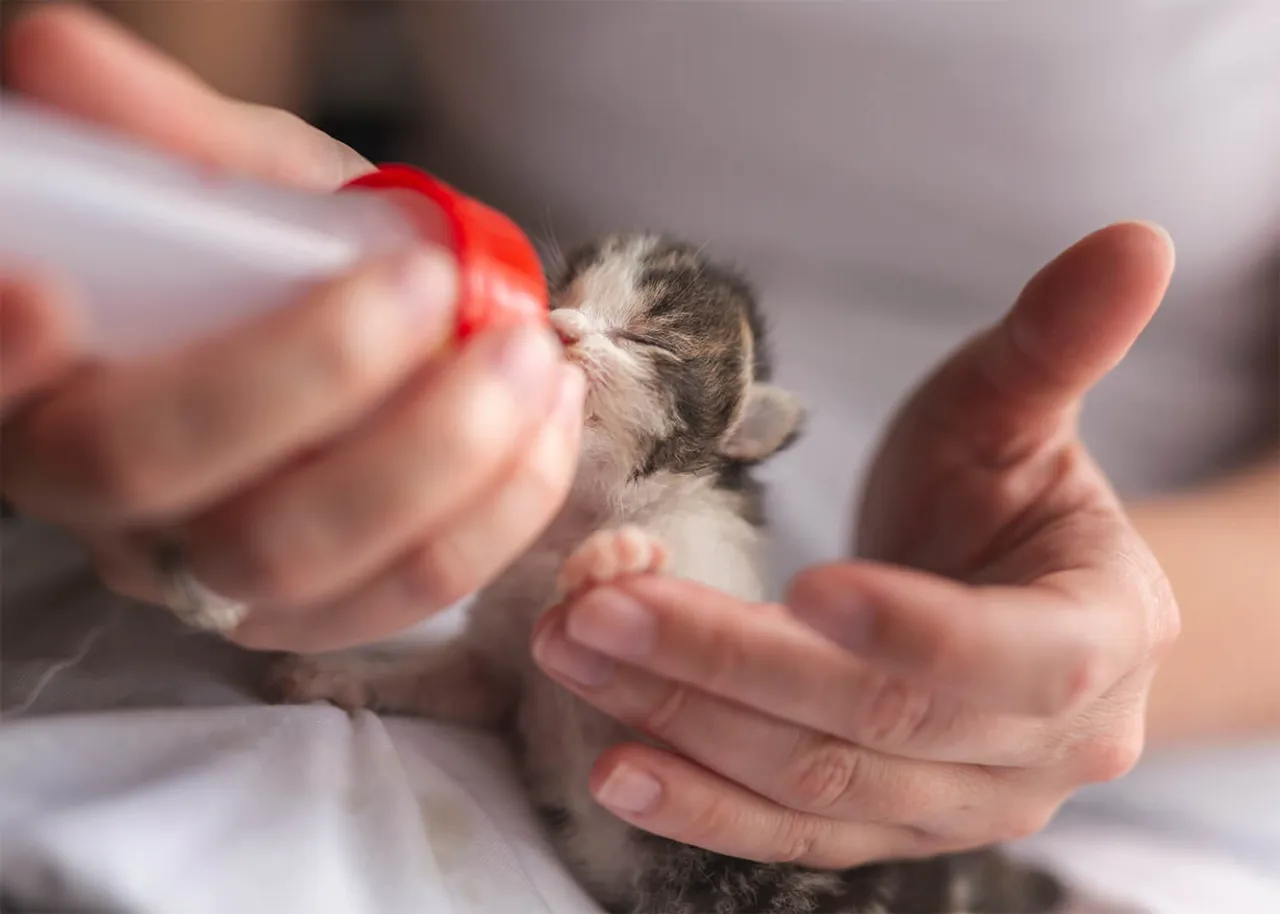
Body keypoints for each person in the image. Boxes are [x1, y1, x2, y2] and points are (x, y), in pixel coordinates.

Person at [1, 4, 1276, 913]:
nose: (571, 329)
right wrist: (196, 291)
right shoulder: (548, 357)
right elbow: (175, 116)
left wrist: (1088, 651)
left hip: (1165, 756)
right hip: (408, 518)